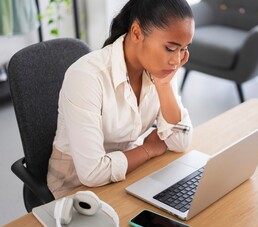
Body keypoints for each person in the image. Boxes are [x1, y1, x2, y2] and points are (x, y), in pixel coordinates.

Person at [47, 0, 194, 198]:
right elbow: (92, 173)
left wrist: (164, 86)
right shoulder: (86, 76)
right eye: (170, 48)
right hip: (75, 184)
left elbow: (180, 141)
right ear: (136, 33)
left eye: (184, 49)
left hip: (128, 170)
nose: (177, 61)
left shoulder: (161, 70)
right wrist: (149, 149)